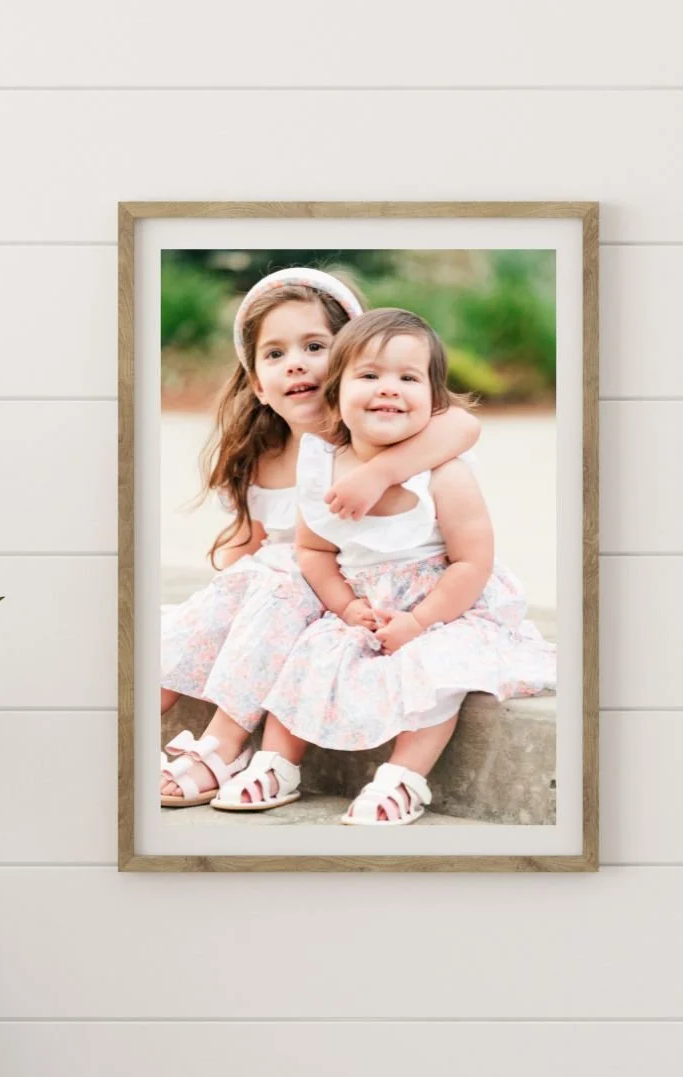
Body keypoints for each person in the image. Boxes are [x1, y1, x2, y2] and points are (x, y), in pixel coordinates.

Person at [213, 307, 556, 822]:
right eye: (369, 376)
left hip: (447, 610)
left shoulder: (442, 474)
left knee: (437, 669)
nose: (389, 388)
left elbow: (472, 562)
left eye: (408, 378)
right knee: (310, 653)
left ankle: (403, 778)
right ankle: (278, 762)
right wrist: (347, 607)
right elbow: (315, 550)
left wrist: (420, 621)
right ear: (335, 395)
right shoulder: (324, 469)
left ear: (434, 400)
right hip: (366, 607)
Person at [159, 269, 482, 807]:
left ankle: (224, 743)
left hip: (328, 587)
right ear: (258, 383)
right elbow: (249, 541)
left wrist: (380, 472)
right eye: (275, 354)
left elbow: (463, 425)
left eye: (315, 346)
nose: (297, 363)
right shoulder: (260, 453)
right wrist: (223, 608)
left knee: (280, 587)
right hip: (273, 589)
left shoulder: (378, 441)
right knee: (208, 612)